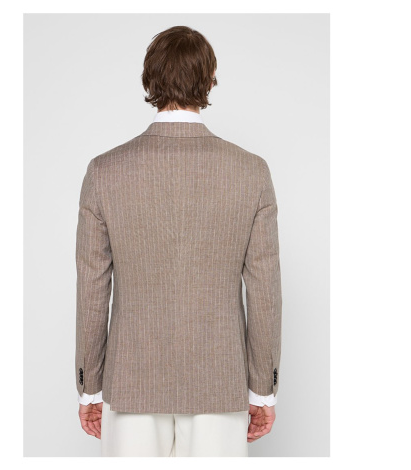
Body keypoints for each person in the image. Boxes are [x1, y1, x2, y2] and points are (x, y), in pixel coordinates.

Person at [75, 25, 282, 457]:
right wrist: (262, 390)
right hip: (219, 382)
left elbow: (92, 288)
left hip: (131, 381)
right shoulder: (251, 172)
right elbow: (264, 292)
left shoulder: (105, 171)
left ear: (149, 79)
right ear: (209, 80)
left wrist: (89, 387)